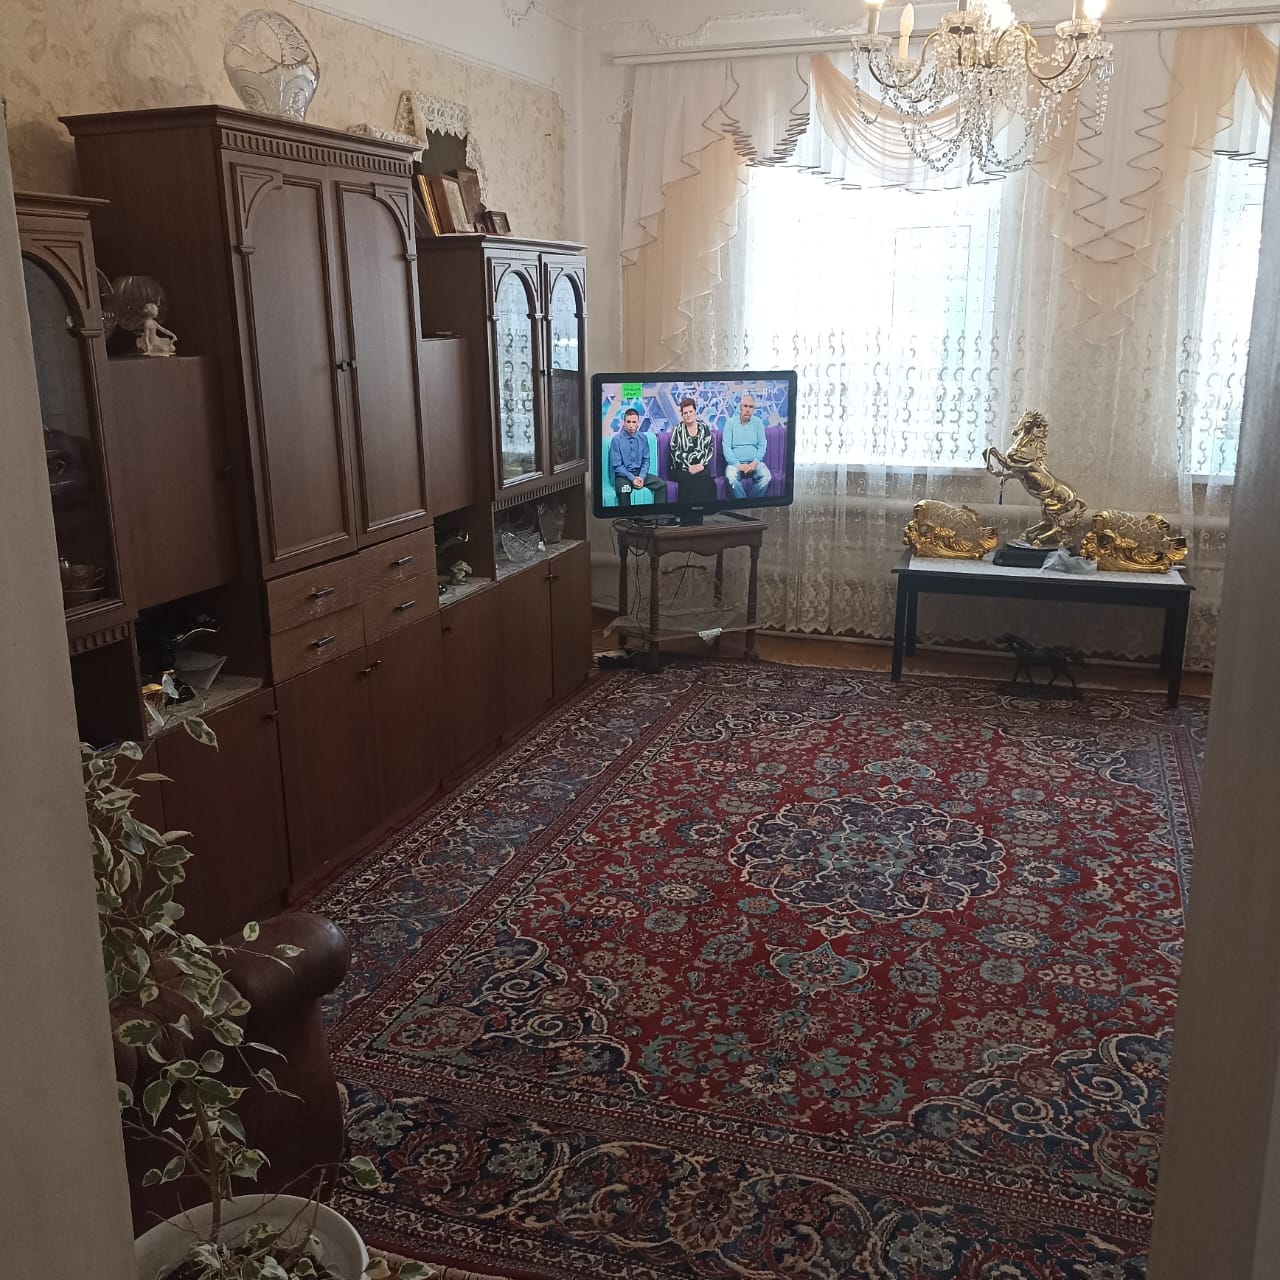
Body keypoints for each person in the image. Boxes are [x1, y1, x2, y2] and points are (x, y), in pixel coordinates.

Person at [608, 408, 664, 506]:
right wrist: (632, 478)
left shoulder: (643, 438)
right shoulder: (616, 440)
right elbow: (617, 466)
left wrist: (641, 477)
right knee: (624, 490)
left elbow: (646, 461)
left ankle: (657, 514)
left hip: (640, 474)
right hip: (623, 476)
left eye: (634, 422)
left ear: (638, 423)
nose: (631, 425)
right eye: (628, 422)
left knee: (661, 485)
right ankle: (627, 516)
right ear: (624, 423)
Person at [668, 396, 717, 504]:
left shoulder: (704, 428)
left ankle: (707, 508)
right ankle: (688, 509)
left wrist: (701, 465)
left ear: (695, 412)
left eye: (690, 411)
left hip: (700, 466)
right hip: (681, 467)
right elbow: (675, 452)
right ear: (682, 415)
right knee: (688, 479)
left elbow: (709, 449)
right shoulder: (678, 429)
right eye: (685, 413)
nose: (688, 415)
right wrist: (689, 467)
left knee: (706, 477)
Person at [722, 393, 771, 499]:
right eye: (745, 406)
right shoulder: (730, 423)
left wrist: (754, 463)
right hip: (735, 464)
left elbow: (762, 445)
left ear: (753, 409)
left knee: (766, 476)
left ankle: (750, 503)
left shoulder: (758, 423)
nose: (748, 409)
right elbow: (726, 448)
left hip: (755, 463)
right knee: (731, 477)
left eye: (751, 407)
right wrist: (738, 465)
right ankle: (744, 503)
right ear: (740, 407)